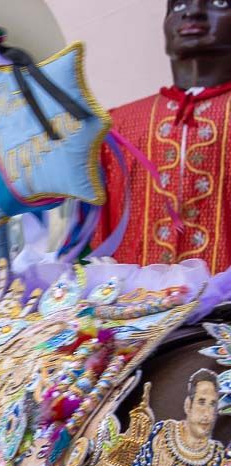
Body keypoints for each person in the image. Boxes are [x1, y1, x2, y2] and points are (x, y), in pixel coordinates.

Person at [94, 0, 231, 271]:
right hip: (135, 306)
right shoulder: (119, 126)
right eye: (179, 5)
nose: (192, 13)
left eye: (218, 2)